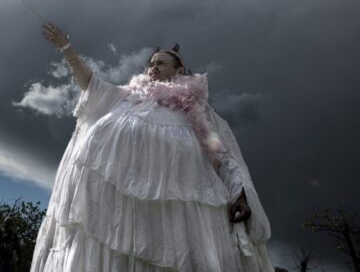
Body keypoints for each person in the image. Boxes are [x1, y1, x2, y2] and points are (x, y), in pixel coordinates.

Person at [30, 23, 275, 272]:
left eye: (160, 63)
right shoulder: (126, 98)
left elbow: (223, 156)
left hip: (179, 216)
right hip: (121, 214)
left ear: (179, 70)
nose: (152, 67)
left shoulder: (198, 113)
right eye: (150, 63)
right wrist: (66, 47)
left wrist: (240, 195)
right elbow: (90, 82)